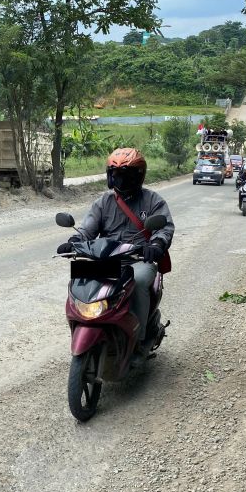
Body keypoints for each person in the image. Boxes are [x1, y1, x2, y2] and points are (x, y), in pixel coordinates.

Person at [57, 148, 174, 351]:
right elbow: (87, 229)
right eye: (115, 174)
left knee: (137, 282)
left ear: (138, 176)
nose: (119, 180)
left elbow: (164, 228)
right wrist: (74, 240)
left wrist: (156, 244)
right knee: (79, 278)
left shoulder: (152, 200)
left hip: (138, 260)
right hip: (107, 260)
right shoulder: (104, 202)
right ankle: (84, 325)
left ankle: (139, 336)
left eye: (124, 175)